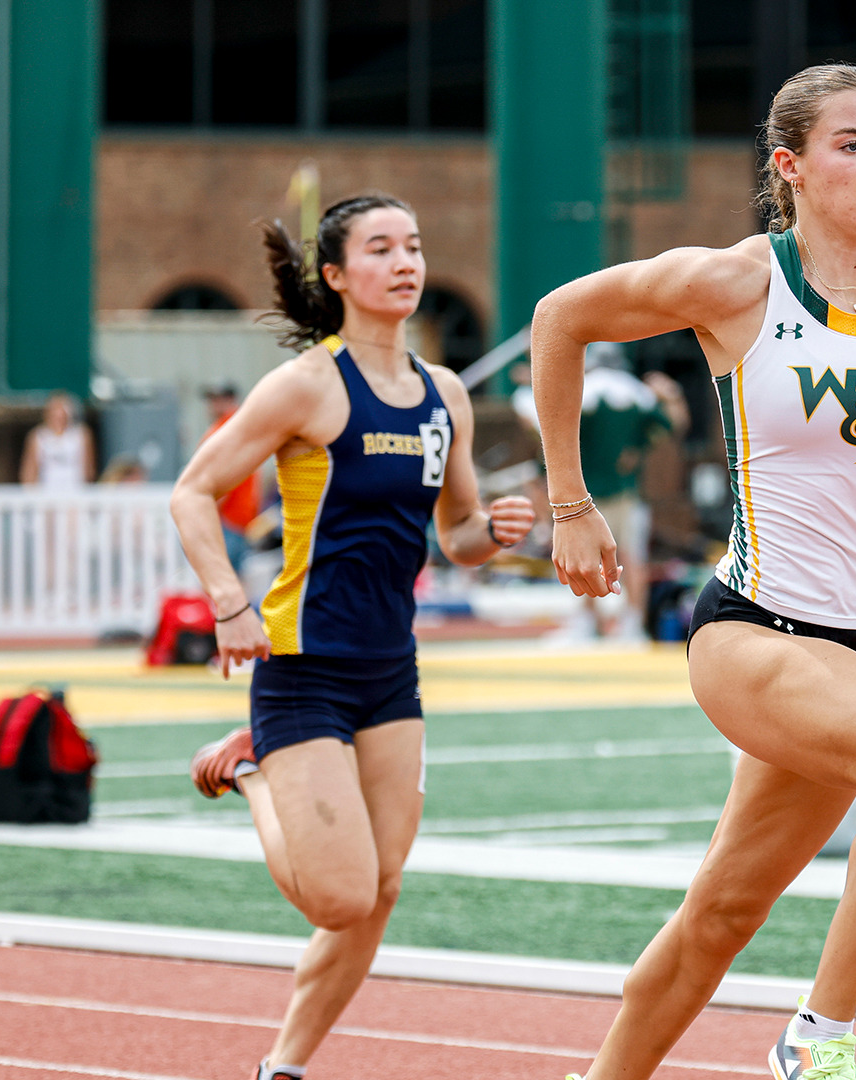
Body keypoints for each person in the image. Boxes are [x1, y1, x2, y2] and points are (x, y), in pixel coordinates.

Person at [530, 64, 856, 1080]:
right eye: (850, 145)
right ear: (791, 167)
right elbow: (559, 318)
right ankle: (818, 1038)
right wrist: (569, 502)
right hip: (756, 632)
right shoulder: (739, 282)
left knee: (723, 911)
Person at [171, 194, 535, 1080]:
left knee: (380, 891)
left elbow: (455, 537)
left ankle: (283, 1068)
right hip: (302, 664)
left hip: (390, 671)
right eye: (382, 248)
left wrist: (498, 533)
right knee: (339, 896)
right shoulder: (307, 385)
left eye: (414, 245)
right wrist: (228, 600)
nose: (406, 262)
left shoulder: (446, 396)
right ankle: (252, 767)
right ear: (337, 276)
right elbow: (192, 491)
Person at [570, 342, 689, 640]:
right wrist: (638, 447)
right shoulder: (637, 394)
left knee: (588, 559)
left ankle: (588, 622)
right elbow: (671, 425)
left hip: (589, 494)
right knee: (632, 558)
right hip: (627, 491)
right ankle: (633, 622)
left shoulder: (587, 392)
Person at [202, 383, 263, 570]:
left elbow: (221, 476)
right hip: (241, 515)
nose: (212, 405)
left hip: (227, 516)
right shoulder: (243, 426)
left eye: (217, 400)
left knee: (220, 575)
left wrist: (209, 513)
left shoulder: (225, 429)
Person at [19, 390, 94, 489]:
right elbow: (29, 471)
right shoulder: (38, 436)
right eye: (55, 411)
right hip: (46, 493)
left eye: (63, 411)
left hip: (75, 492)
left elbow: (89, 469)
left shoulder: (81, 434)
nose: (59, 415)